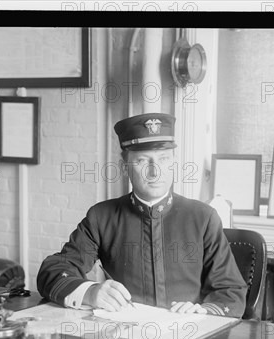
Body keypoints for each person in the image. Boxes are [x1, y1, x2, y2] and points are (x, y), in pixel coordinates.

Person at [37, 113, 247, 318]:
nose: (155, 172)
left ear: (173, 162)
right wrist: (90, 292)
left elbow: (231, 292)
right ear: (124, 166)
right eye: (142, 161)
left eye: (164, 159)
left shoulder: (203, 218)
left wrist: (204, 311)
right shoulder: (102, 217)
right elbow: (54, 270)